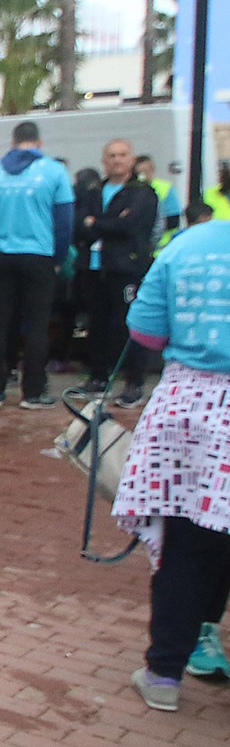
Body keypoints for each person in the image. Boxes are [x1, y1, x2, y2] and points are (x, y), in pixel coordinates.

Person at [112, 217, 230, 710]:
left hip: (191, 411)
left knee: (186, 544)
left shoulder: (188, 246)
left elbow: (145, 330)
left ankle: (164, 672)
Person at [0, 120, 75, 409]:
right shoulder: (55, 172)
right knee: (36, 324)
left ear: (13, 142)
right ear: (39, 142)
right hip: (39, 254)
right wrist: (58, 258)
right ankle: (32, 392)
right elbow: (64, 222)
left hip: (0, 253)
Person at [73, 139, 157, 408]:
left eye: (122, 155)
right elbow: (79, 224)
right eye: (111, 155)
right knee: (95, 325)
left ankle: (134, 383)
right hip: (94, 268)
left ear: (131, 159)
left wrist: (96, 223)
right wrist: (106, 224)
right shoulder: (92, 191)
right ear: (103, 160)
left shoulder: (142, 192)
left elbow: (131, 226)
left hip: (125, 268)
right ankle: (97, 378)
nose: (117, 160)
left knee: (128, 325)